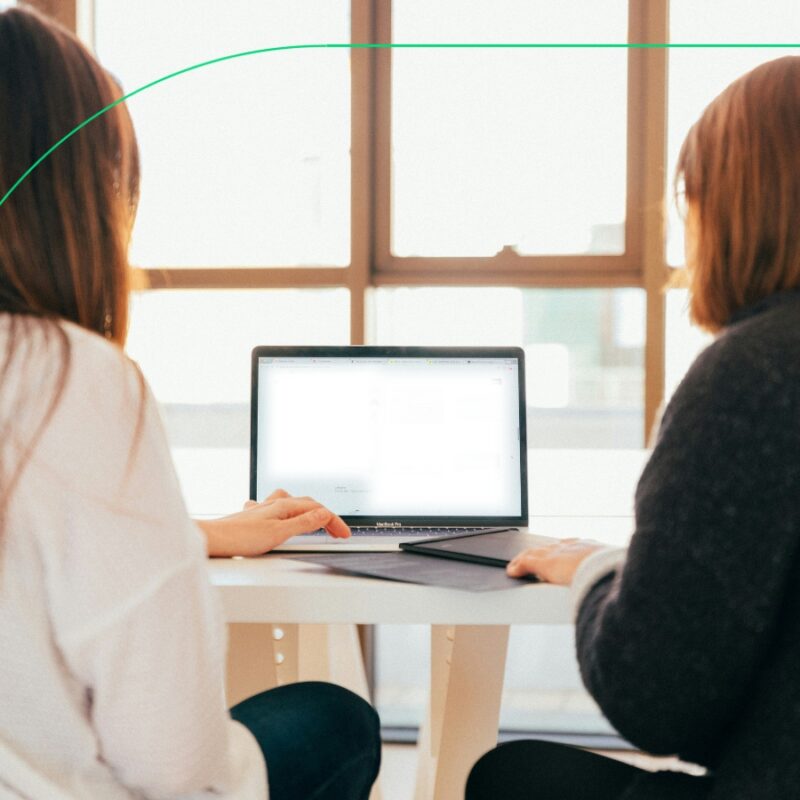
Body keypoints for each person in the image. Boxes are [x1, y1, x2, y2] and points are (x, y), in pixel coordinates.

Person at [0, 7, 380, 799]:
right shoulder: (67, 378)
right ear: (75, 196)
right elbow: (177, 767)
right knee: (336, 720)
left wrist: (194, 534)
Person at [467, 56, 800, 800]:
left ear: (731, 205)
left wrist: (598, 573)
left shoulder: (754, 374)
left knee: (511, 778)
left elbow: (656, 697)